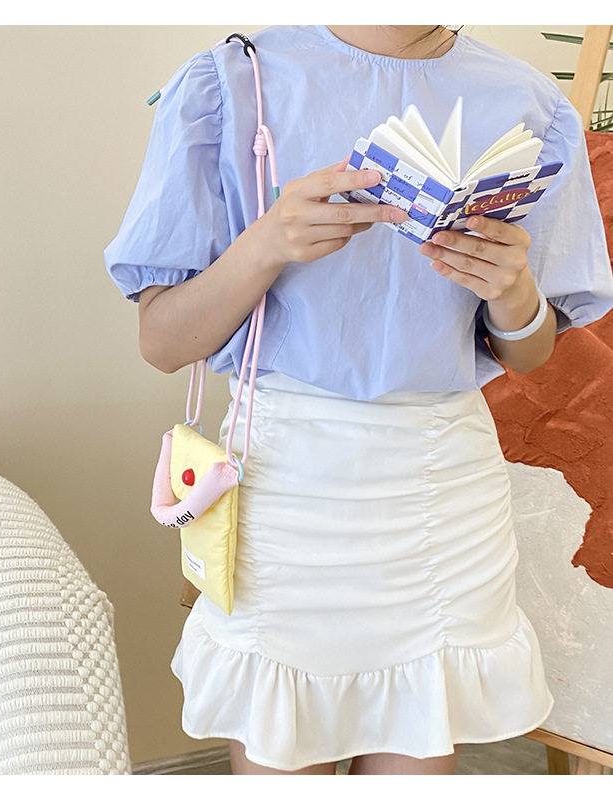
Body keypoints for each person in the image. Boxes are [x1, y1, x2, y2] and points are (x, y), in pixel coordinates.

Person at [104, 25, 613, 775]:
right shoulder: (232, 82)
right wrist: (268, 242)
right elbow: (162, 342)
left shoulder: (528, 103)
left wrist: (514, 292)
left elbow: (528, 354)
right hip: (285, 488)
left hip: (445, 491)